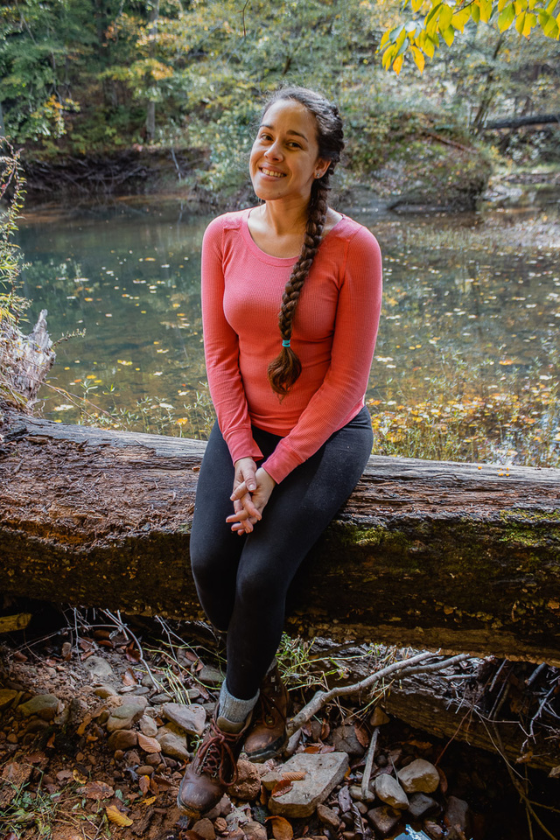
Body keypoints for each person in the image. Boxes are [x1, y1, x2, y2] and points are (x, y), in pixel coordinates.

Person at [178, 86, 383, 817]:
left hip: (325, 437)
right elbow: (219, 356)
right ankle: (259, 678)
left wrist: (272, 474)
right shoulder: (223, 234)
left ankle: (229, 725)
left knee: (260, 577)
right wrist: (240, 454)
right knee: (209, 563)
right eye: (266, 137)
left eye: (293, 144)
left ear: (322, 163)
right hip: (245, 434)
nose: (272, 154)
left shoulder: (353, 248)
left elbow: (347, 383)